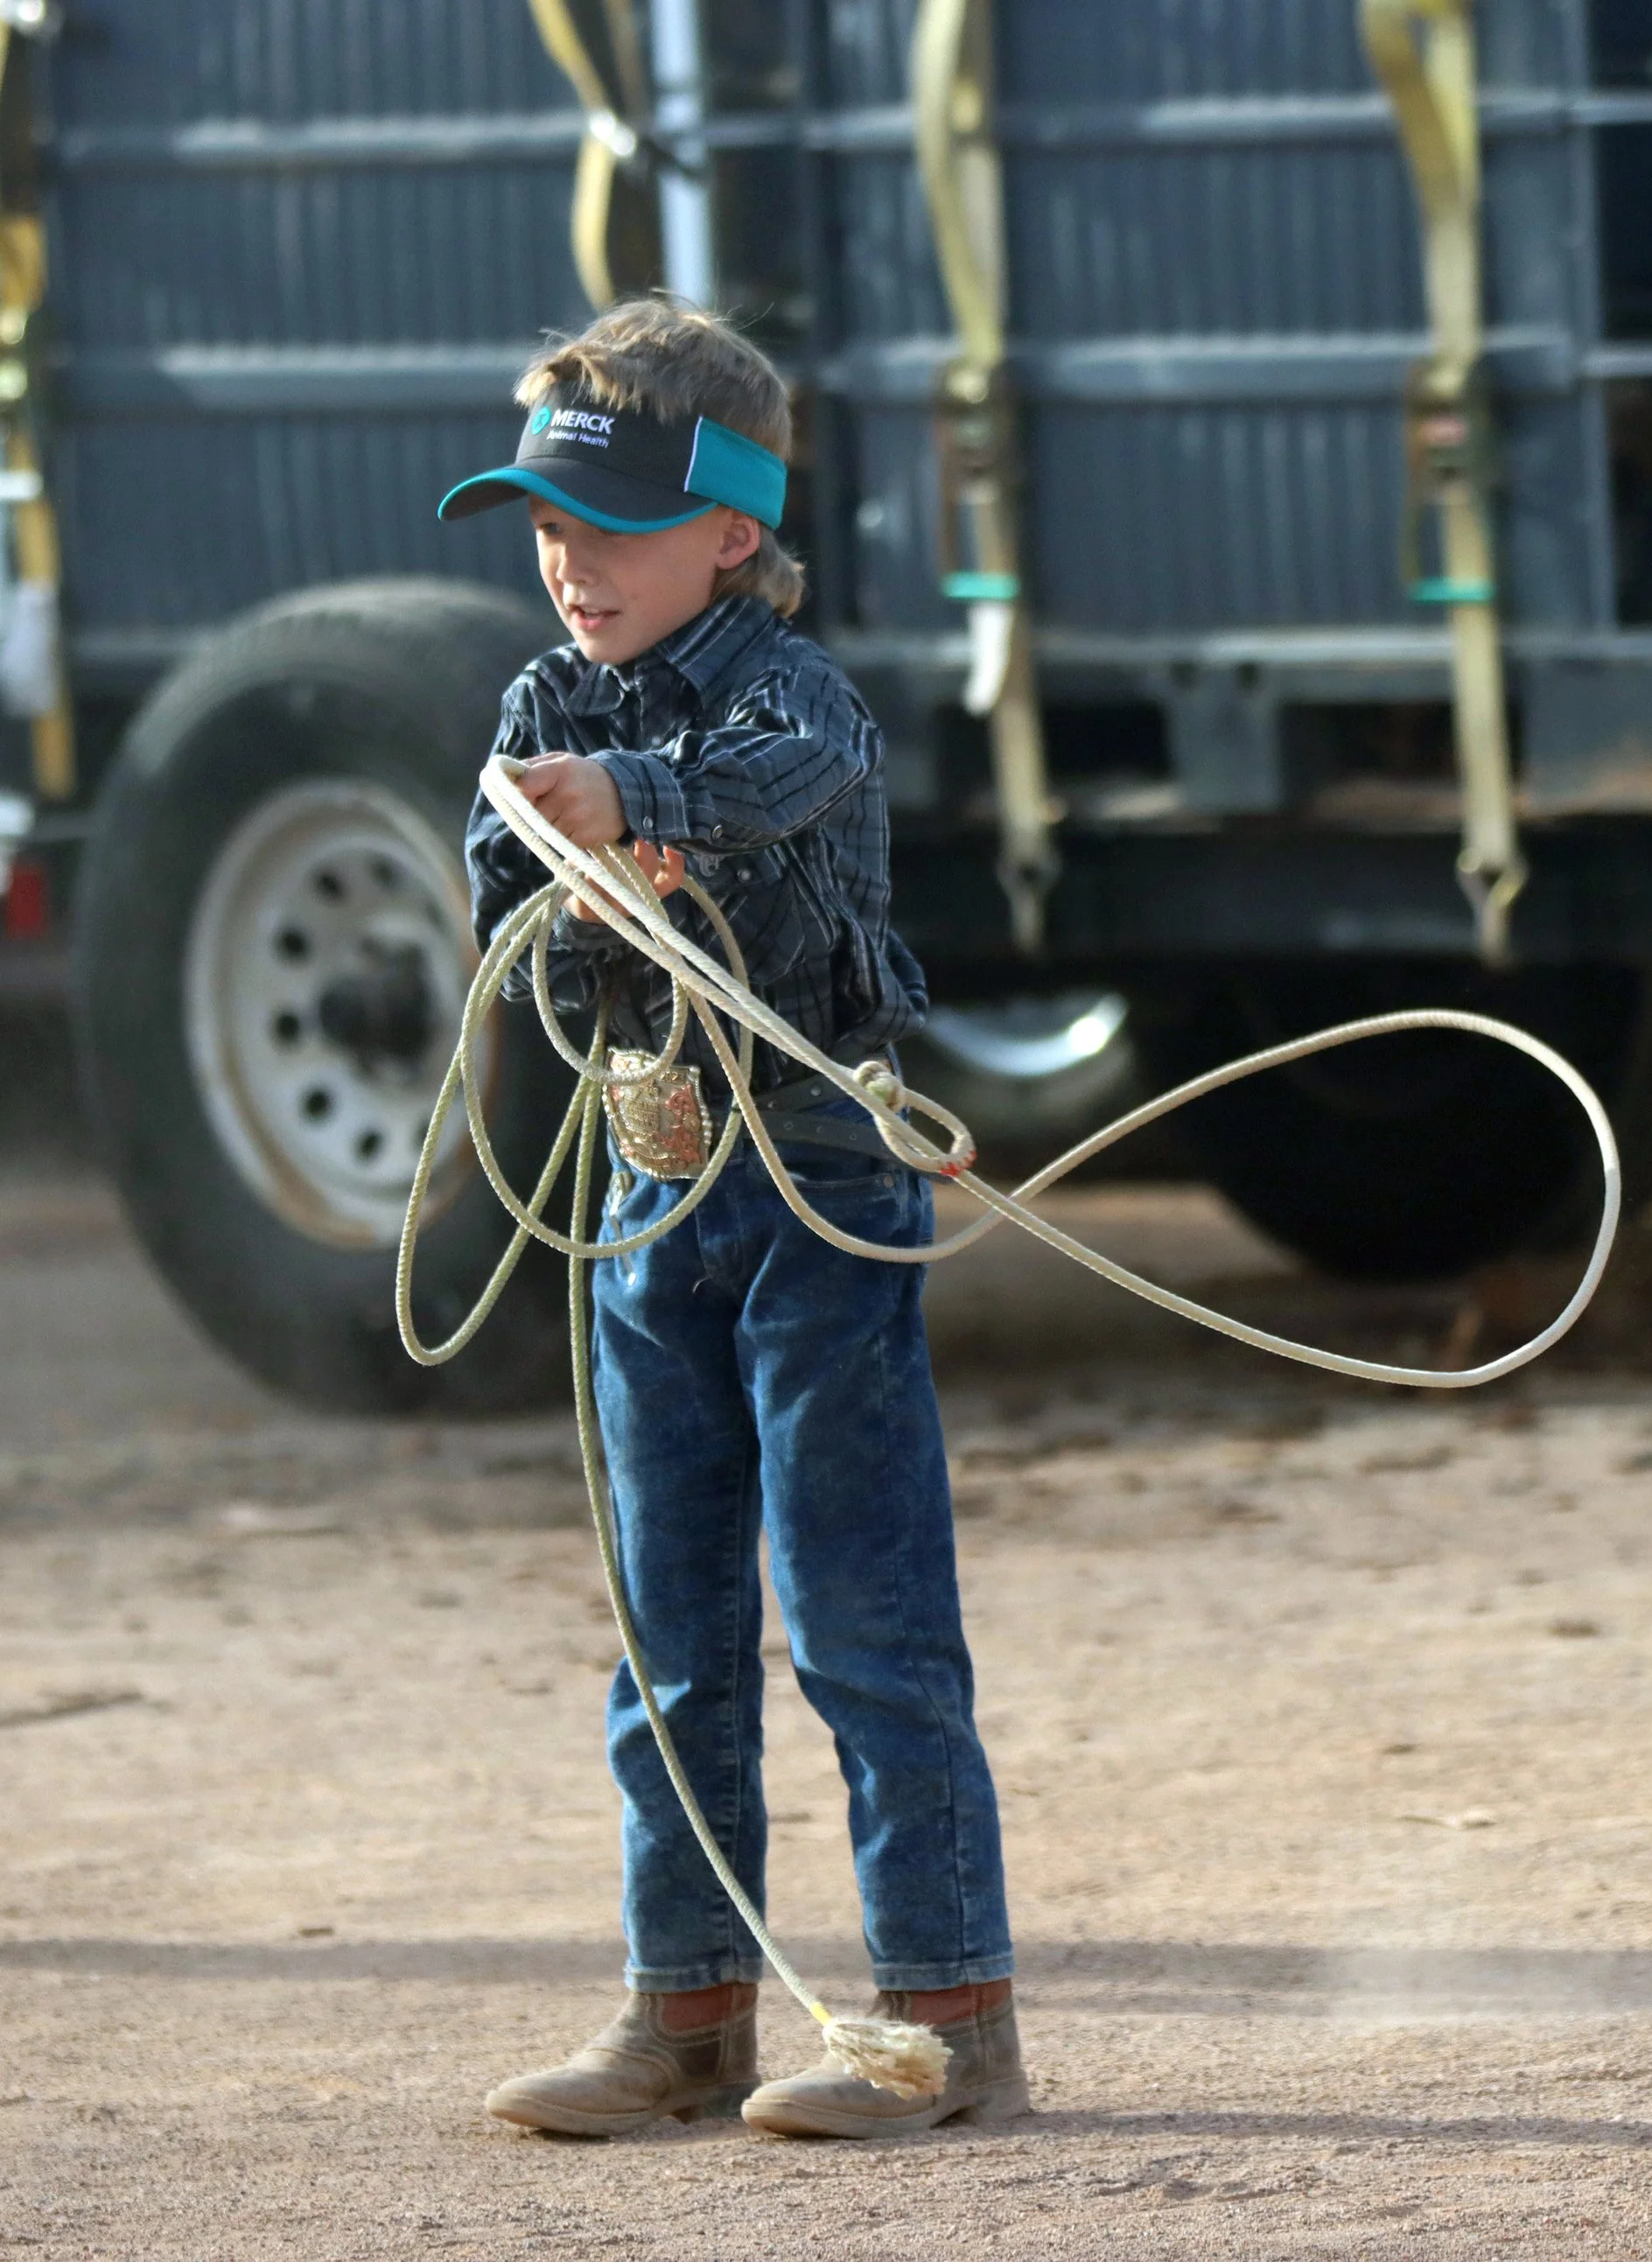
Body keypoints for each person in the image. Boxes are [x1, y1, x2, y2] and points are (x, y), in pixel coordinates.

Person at [447, 298, 1022, 2139]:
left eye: (605, 526)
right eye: (543, 522)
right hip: (642, 1183)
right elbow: (496, 878)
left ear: (730, 533)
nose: (566, 559)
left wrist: (635, 805)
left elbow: (782, 779)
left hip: (817, 1182)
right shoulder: (540, 702)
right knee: (666, 1623)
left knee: (859, 1613)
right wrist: (548, 855)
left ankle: (944, 2018)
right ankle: (679, 2009)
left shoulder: (795, 694)